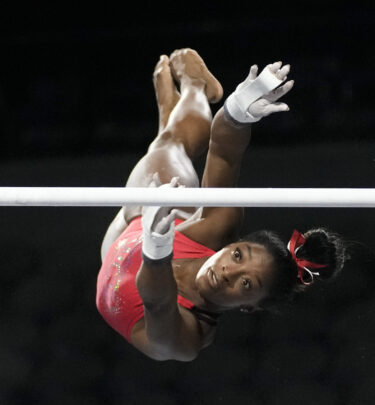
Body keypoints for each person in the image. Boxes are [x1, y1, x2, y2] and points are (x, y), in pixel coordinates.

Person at [96, 49, 347, 361]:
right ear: (233, 243)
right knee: (168, 147)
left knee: (163, 147)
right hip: (149, 222)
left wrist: (157, 243)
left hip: (127, 247)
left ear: (249, 306)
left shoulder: (188, 339)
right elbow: (224, 154)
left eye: (245, 283)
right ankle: (194, 86)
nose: (228, 270)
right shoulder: (217, 227)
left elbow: (158, 304)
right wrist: (237, 113)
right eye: (238, 254)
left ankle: (171, 116)